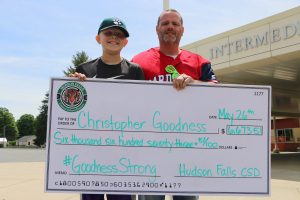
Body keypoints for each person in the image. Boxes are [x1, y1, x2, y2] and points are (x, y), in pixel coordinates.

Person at [131, 9, 218, 200]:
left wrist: (194, 82)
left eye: (175, 23)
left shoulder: (199, 62)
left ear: (182, 29)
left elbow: (217, 92)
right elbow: (125, 97)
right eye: (165, 23)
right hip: (151, 150)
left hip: (187, 150)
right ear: (157, 29)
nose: (170, 27)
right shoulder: (138, 62)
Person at [70, 17, 144, 200]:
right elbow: (75, 107)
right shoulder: (84, 69)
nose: (114, 37)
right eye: (108, 33)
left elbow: (142, 108)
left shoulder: (135, 71)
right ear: (98, 38)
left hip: (123, 153)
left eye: (119, 34)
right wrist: (73, 86)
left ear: (125, 42)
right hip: (91, 153)